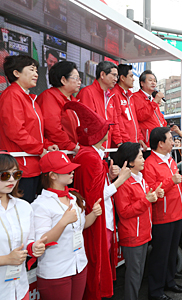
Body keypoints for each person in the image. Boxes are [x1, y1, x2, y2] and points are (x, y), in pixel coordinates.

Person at [64, 101, 131, 300]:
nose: (107, 133)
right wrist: (120, 180)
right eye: (104, 130)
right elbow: (98, 196)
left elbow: (96, 190)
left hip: (100, 216)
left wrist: (110, 178)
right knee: (97, 261)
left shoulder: (89, 155)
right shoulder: (90, 157)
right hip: (98, 219)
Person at [32, 151, 102, 300]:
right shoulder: (40, 204)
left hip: (79, 265)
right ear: (52, 175)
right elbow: (41, 243)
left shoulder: (73, 197)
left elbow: (81, 226)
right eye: (66, 170)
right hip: (56, 272)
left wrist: (94, 214)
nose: (72, 172)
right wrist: (63, 221)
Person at [143, 127, 182, 300]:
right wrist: (171, 181)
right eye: (170, 139)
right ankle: (156, 291)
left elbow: (174, 185)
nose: (173, 142)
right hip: (163, 216)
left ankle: (169, 281)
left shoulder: (170, 160)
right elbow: (152, 192)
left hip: (177, 213)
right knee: (160, 255)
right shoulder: (150, 164)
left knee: (171, 252)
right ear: (160, 143)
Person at [0, 55, 58, 203]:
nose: (36, 74)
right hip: (20, 168)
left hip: (32, 165)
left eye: (37, 70)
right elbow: (16, 132)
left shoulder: (28, 97)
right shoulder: (12, 95)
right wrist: (40, 148)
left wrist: (46, 145)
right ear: (16, 73)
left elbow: (34, 132)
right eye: (31, 69)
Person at [114, 142, 163, 300]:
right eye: (141, 157)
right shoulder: (124, 183)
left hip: (142, 233)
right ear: (130, 161)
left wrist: (154, 194)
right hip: (132, 235)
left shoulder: (140, 178)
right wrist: (147, 200)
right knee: (134, 276)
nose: (144, 160)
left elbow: (146, 199)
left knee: (138, 274)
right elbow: (124, 212)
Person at [0, 152, 47, 300]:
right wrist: (5, 259)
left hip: (20, 288)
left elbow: (29, 240)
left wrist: (33, 247)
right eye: (5, 175)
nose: (12, 179)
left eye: (16, 174)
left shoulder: (24, 207)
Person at [77, 61, 123, 149]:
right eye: (113, 75)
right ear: (102, 75)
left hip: (105, 149)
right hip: (92, 149)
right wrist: (94, 145)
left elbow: (114, 122)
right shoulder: (88, 92)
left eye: (116, 76)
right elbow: (87, 123)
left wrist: (119, 143)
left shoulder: (110, 96)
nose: (116, 79)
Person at [38, 61, 81, 153]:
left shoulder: (73, 100)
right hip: (59, 152)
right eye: (76, 78)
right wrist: (71, 146)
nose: (79, 81)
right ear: (63, 80)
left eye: (79, 78)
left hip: (72, 151)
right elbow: (53, 129)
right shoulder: (50, 96)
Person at [110, 64, 147, 150]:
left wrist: (139, 138)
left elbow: (134, 120)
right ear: (122, 78)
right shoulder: (114, 94)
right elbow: (117, 121)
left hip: (132, 144)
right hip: (123, 146)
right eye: (131, 76)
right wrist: (124, 142)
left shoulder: (130, 95)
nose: (133, 79)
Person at [132, 70, 166, 146]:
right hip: (147, 141)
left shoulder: (153, 99)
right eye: (150, 80)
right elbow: (141, 116)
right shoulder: (136, 97)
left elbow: (159, 118)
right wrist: (155, 101)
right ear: (142, 83)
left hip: (159, 140)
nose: (153, 83)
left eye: (154, 81)